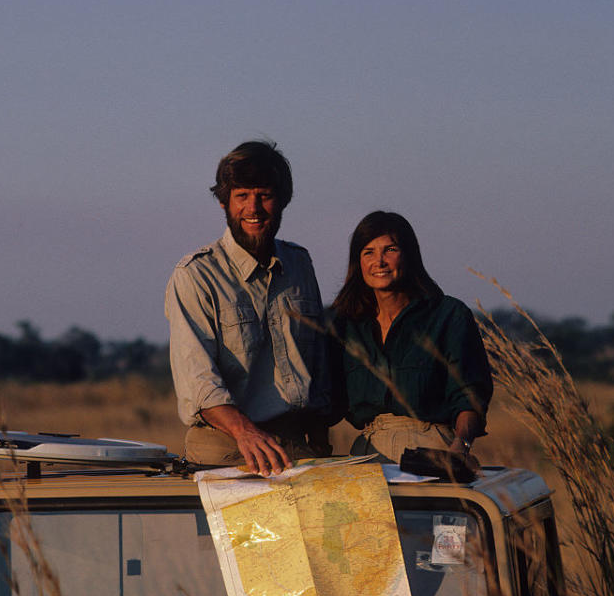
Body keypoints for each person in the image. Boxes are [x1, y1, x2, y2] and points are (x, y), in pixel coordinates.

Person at [165, 140, 331, 476]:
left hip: (296, 447)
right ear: (225, 203)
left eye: (264, 195)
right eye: (242, 196)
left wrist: (320, 438)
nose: (253, 208)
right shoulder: (196, 274)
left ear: (282, 201)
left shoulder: (299, 263)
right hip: (227, 449)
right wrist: (245, 433)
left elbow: (319, 360)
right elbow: (198, 380)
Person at [330, 210, 493, 463]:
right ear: (358, 262)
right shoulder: (345, 324)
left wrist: (460, 447)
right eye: (368, 252)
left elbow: (469, 396)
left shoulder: (448, 315)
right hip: (366, 453)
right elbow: (326, 399)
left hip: (432, 447)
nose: (379, 261)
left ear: (409, 256)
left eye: (390, 250)